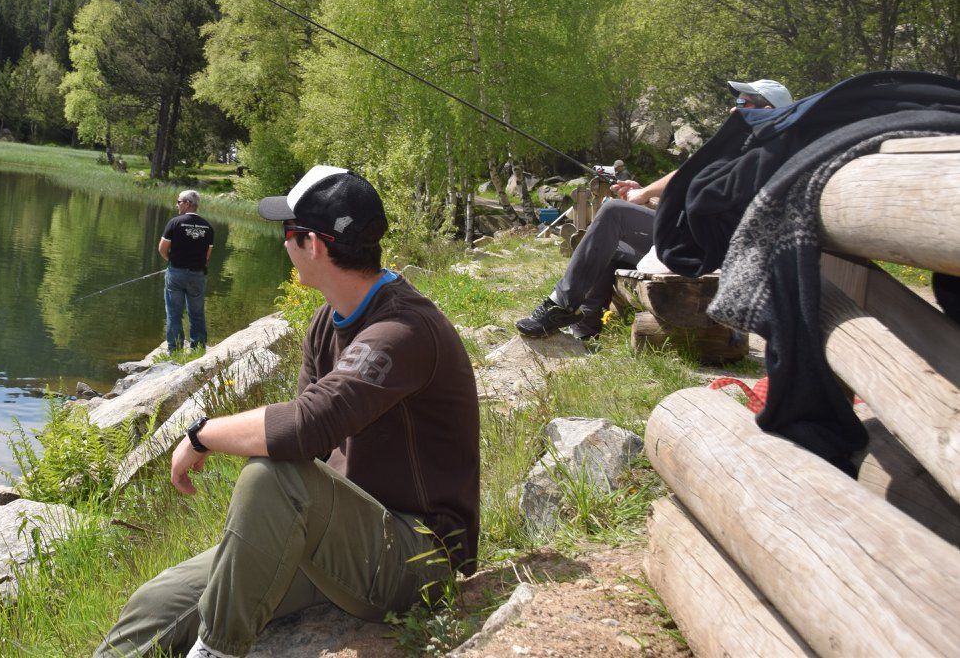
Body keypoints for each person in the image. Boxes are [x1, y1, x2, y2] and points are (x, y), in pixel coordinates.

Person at [98, 166, 480, 658]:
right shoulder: (327, 321)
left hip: (421, 555)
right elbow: (312, 443)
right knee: (156, 604)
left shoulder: (403, 330)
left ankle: (217, 651)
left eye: (288, 233)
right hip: (342, 539)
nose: (283, 244)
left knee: (273, 478)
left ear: (314, 245)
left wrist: (200, 435)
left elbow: (308, 425)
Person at [516, 78, 794, 340]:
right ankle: (584, 329)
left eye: (745, 104)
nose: (734, 108)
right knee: (611, 244)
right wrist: (648, 199)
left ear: (767, 110)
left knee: (614, 212)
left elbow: (689, 176)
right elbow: (698, 202)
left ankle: (560, 306)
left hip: (712, 253)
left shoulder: (761, 152)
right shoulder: (749, 148)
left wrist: (645, 193)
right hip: (697, 240)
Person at [160, 189, 214, 351]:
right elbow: (207, 256)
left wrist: (173, 261)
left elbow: (162, 249)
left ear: (188, 204)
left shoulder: (175, 223)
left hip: (175, 273)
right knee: (197, 312)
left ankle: (174, 349)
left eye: (179, 202)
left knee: (174, 312)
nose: (177, 205)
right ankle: (198, 347)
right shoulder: (208, 227)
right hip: (197, 275)